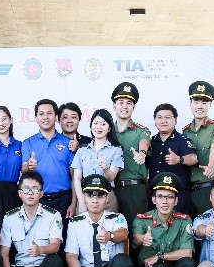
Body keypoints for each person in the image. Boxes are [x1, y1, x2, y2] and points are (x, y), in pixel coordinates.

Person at [63, 174, 133, 267]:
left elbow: (123, 234)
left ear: (107, 198)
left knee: (123, 262)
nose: (95, 200)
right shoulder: (75, 223)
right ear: (84, 197)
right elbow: (71, 255)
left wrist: (110, 236)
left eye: (100, 196)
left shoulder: (117, 218)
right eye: (90, 196)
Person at [0, 170, 66, 267]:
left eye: (35, 189)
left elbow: (55, 246)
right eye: (26, 189)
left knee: (54, 260)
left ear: (41, 194)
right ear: (20, 193)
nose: (30, 193)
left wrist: (41, 250)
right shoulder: (10, 218)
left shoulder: (53, 215)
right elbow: (4, 251)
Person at [126, 172, 194, 267]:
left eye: (170, 197)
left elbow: (188, 252)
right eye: (161, 196)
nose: (165, 202)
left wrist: (159, 256)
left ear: (176, 201)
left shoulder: (184, 221)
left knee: (187, 263)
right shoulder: (143, 219)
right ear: (154, 199)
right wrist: (143, 239)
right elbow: (136, 237)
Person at [21, 99, 76, 218]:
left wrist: (73, 203)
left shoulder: (68, 143)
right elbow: (23, 170)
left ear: (56, 117)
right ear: (36, 118)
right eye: (41, 114)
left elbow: (74, 176)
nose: (45, 117)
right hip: (38, 200)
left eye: (49, 113)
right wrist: (29, 166)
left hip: (64, 200)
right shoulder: (28, 143)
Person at [183, 81, 214, 216]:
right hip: (189, 191)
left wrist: (211, 166)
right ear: (190, 104)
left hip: (208, 188)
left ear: (210, 105)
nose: (200, 106)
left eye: (204, 103)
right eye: (196, 102)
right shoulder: (185, 131)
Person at [146, 103, 198, 214]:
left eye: (167, 117)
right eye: (159, 117)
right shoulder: (151, 142)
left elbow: (194, 158)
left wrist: (179, 159)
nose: (163, 121)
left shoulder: (182, 140)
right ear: (155, 121)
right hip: (156, 198)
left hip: (178, 197)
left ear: (175, 120)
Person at [110, 82, 152, 217]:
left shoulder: (141, 131)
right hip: (110, 190)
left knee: (136, 228)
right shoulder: (106, 130)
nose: (124, 106)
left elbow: (144, 142)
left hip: (134, 189)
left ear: (133, 107)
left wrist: (142, 153)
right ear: (114, 105)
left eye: (129, 103)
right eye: (120, 102)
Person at [71, 109, 123, 215]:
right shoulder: (82, 150)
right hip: (86, 196)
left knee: (109, 225)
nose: (98, 127)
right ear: (91, 126)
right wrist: (81, 202)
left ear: (109, 128)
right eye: (95, 123)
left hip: (106, 197)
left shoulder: (116, 150)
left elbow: (111, 177)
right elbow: (77, 178)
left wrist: (105, 168)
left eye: (103, 124)